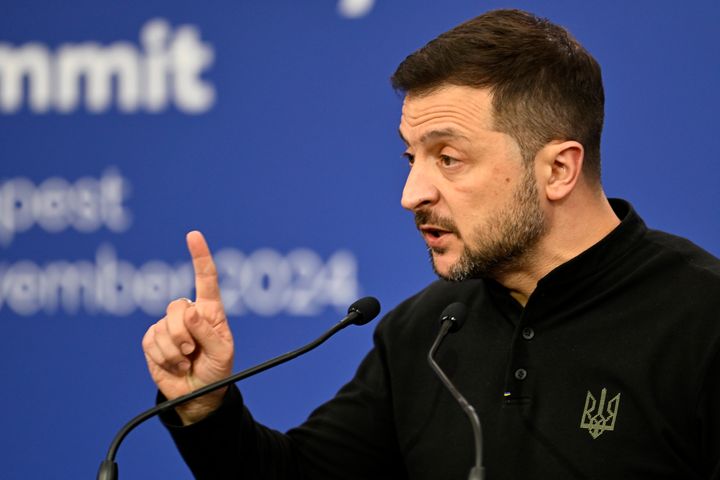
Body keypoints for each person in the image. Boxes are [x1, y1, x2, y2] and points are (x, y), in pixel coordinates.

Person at [141, 8, 720, 479]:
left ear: (558, 170)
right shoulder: (426, 332)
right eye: (410, 157)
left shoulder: (701, 320)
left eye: (449, 158)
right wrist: (207, 408)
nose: (411, 193)